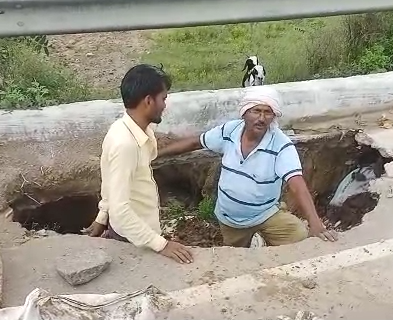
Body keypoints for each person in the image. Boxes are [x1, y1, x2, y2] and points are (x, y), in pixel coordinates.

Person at [156, 86, 338, 247]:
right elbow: (196, 142)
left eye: (268, 112)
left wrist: (315, 223)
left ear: (274, 116)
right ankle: (253, 241)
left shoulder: (281, 145)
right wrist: (158, 154)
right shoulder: (230, 131)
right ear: (244, 113)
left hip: (265, 214)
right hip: (230, 220)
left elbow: (297, 184)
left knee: (299, 235)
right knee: (237, 257)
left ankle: (263, 235)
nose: (261, 118)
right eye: (256, 111)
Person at [84, 64, 194, 264]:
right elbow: (121, 210)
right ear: (149, 101)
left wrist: (102, 216)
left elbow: (110, 179)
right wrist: (161, 244)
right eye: (164, 99)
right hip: (133, 239)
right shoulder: (125, 144)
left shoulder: (134, 131)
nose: (165, 105)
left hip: (140, 233)